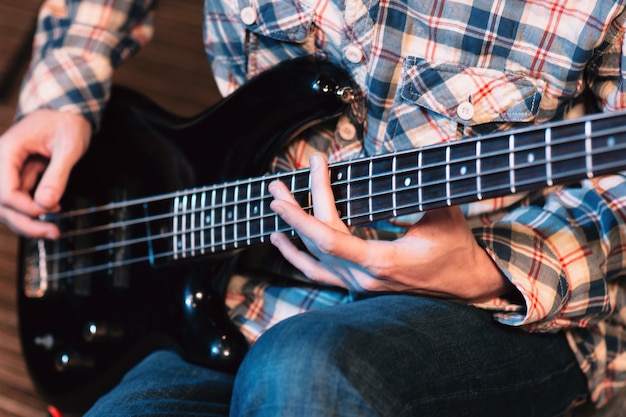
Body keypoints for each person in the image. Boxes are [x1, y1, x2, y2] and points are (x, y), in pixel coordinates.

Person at [1, 0, 625, 415]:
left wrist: (485, 270)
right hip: (238, 292)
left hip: (503, 308)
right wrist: (64, 86)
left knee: (301, 368)